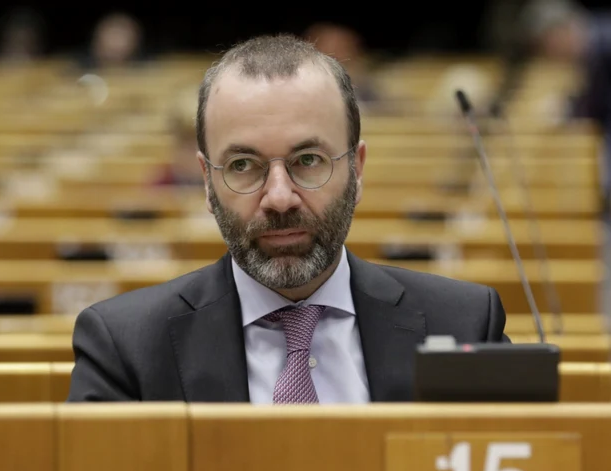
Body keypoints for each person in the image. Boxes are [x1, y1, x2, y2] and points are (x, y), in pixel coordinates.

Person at [68, 34, 510, 404]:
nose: (279, 198)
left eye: (309, 160)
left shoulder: (465, 324)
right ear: (207, 181)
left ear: (356, 170)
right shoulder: (125, 349)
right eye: (243, 165)